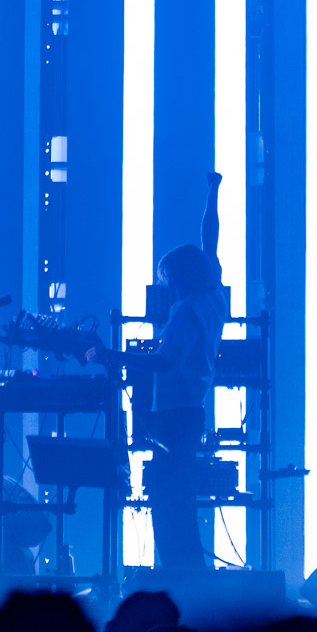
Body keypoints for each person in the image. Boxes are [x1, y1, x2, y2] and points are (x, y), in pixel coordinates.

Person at [88, 172, 226, 569]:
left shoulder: (185, 311)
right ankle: (191, 581)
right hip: (192, 412)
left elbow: (165, 361)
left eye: (166, 279)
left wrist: (115, 356)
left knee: (168, 507)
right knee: (180, 503)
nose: (164, 285)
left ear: (178, 279)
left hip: (175, 417)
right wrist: (213, 192)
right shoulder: (214, 298)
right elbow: (210, 241)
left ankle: (183, 580)